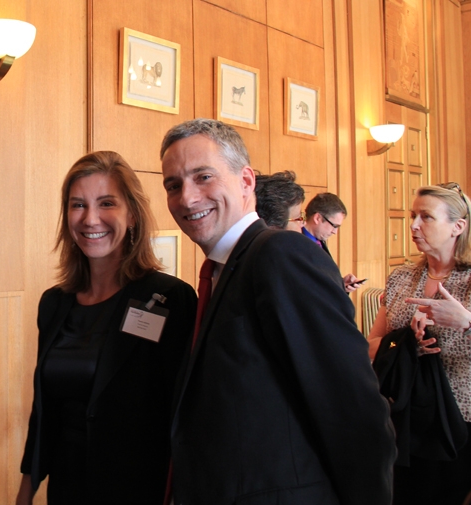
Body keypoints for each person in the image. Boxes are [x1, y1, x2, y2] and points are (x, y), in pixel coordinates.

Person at [160, 118, 396, 505]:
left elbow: (353, 411)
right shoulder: (223, 271)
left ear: (246, 181)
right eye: (173, 185)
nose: (186, 198)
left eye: (203, 177)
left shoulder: (279, 254)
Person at [16, 151, 197, 505]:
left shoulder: (169, 299)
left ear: (132, 215)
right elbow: (45, 412)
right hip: (68, 489)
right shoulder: (54, 303)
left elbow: (183, 417)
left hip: (140, 488)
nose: (90, 219)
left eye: (107, 203)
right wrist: (25, 493)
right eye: (78, 205)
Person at [367, 183, 471, 504]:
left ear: (458, 227)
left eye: (425, 217)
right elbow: (372, 343)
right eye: (413, 216)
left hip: (458, 420)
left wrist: (466, 322)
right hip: (402, 412)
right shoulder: (401, 277)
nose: (412, 225)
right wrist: (405, 343)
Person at [302, 192, 363, 292]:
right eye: (334, 226)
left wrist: (340, 284)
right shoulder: (296, 245)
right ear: (318, 218)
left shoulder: (320, 242)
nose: (335, 232)